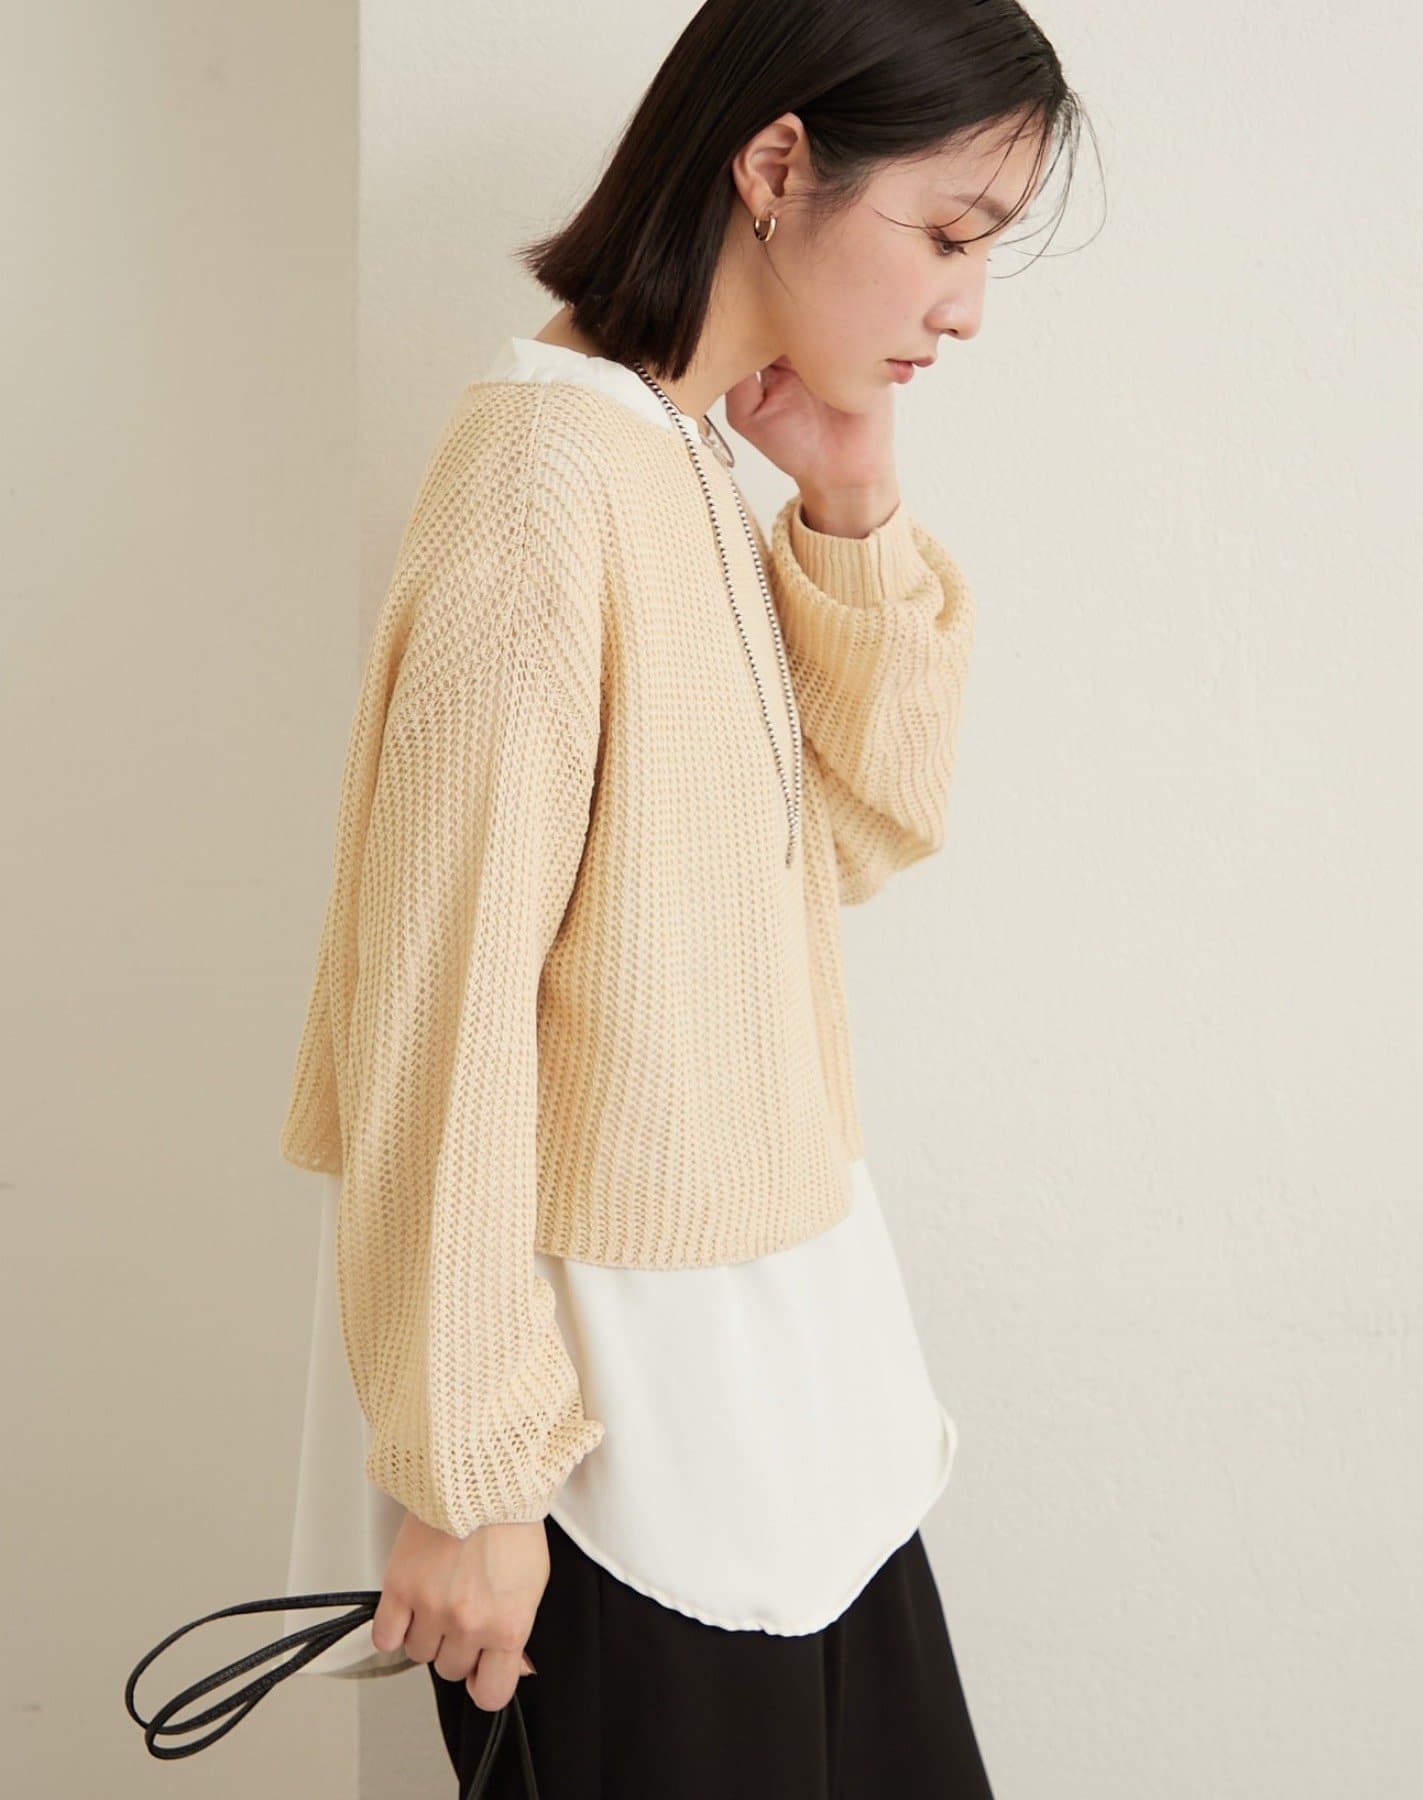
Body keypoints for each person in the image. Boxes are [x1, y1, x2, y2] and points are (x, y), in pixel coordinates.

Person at [278, 1, 1087, 1792]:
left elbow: (856, 837)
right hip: (613, 1437)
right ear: (778, 163)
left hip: (791, 1386)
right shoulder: (541, 485)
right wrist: (468, 1476)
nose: (965, 306)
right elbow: (435, 1013)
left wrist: (851, 503)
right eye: (949, 234)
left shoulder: (678, 462)